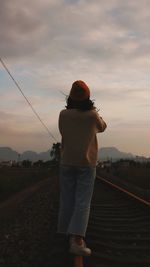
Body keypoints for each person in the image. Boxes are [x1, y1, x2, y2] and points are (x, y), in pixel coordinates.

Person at [57, 80, 107, 256]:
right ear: (88, 97)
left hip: (67, 162)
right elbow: (103, 127)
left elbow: (63, 132)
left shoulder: (63, 114)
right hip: (86, 164)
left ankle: (65, 232)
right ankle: (77, 240)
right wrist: (94, 114)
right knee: (82, 202)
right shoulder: (92, 115)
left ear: (70, 97)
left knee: (67, 199)